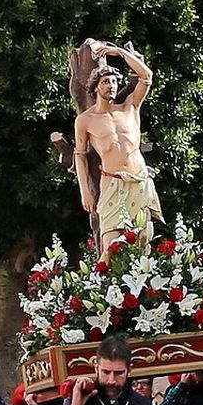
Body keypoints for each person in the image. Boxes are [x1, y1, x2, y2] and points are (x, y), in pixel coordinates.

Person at [73, 40, 162, 250]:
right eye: (105, 82)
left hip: (139, 180)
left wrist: (119, 52)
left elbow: (146, 76)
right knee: (110, 245)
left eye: (114, 81)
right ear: (96, 87)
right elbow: (80, 155)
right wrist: (85, 191)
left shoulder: (130, 107)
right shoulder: (85, 120)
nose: (111, 85)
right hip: (112, 183)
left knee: (142, 242)